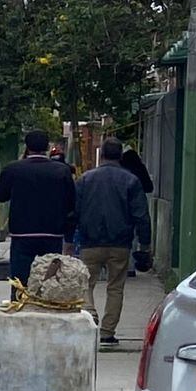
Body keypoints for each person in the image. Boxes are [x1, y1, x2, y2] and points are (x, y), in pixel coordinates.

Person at [76, 138, 152, 346]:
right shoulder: (131, 181)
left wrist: (69, 237)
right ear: (120, 156)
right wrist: (145, 245)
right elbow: (142, 216)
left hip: (90, 242)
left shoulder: (85, 179)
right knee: (115, 287)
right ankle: (107, 333)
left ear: (102, 155)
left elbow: (74, 210)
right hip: (120, 243)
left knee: (86, 283)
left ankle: (90, 314)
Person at [0, 129, 76, 288]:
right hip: (53, 233)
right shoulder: (62, 170)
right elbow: (71, 203)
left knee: (20, 281)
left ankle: (19, 307)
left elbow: (1, 195)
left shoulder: (13, 169)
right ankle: (46, 308)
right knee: (50, 281)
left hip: (22, 233)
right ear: (47, 147)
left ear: (27, 146)